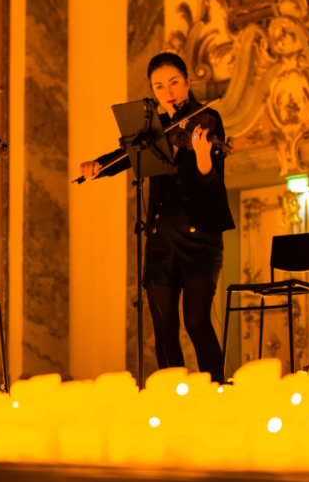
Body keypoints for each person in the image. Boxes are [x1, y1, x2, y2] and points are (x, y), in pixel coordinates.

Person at [80, 52, 235, 383]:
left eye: (175, 83)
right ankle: (173, 398)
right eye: (160, 86)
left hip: (200, 236)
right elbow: (126, 155)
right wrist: (98, 165)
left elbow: (211, 183)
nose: (169, 92)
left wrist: (204, 157)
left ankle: (218, 394)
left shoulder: (208, 119)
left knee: (195, 320)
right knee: (164, 325)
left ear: (188, 83)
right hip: (161, 237)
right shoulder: (153, 129)